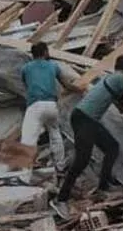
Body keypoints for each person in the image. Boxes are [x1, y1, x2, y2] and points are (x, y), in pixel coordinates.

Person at [57, 55, 123, 203]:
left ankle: (104, 184)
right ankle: (62, 195)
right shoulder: (121, 78)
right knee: (82, 159)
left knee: (112, 147)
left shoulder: (110, 77)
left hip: (84, 117)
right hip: (85, 118)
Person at [20, 42, 81, 170]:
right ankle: (60, 166)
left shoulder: (26, 68)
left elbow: (26, 86)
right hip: (51, 105)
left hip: (35, 105)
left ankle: (25, 169)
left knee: (28, 138)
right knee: (55, 134)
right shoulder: (53, 66)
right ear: (45, 52)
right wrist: (79, 89)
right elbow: (66, 84)